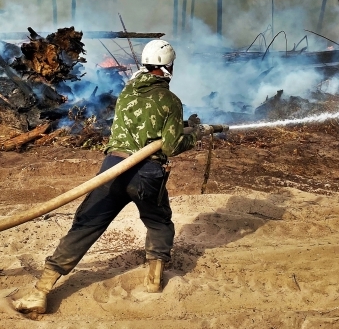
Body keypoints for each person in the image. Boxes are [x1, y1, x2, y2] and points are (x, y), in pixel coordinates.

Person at [14, 39, 205, 315]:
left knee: (86, 224)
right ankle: (153, 281)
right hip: (147, 173)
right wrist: (194, 136)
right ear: (169, 67)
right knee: (158, 221)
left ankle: (41, 289)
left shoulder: (127, 92)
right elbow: (172, 146)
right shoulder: (170, 101)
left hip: (112, 168)